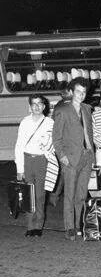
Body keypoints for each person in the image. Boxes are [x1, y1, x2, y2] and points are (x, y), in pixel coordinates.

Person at [52, 77, 95, 241]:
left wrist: (92, 155)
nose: (81, 95)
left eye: (84, 92)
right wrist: (63, 158)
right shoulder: (62, 111)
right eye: (78, 91)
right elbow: (56, 139)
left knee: (82, 195)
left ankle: (79, 225)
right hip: (70, 159)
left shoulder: (87, 108)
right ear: (71, 92)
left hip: (86, 157)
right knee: (69, 195)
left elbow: (89, 134)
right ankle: (69, 227)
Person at [14, 94, 54, 237]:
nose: (37, 107)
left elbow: (53, 145)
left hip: (42, 161)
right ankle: (30, 226)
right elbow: (19, 146)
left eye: (39, 104)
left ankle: (38, 225)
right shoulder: (25, 122)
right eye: (34, 104)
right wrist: (20, 169)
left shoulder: (50, 123)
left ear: (44, 106)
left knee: (40, 195)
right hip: (27, 160)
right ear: (30, 107)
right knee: (27, 195)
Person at [48, 88, 73, 207]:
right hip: (66, 143)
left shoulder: (58, 105)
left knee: (64, 171)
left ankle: (56, 195)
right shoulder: (70, 105)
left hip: (62, 143)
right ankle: (56, 195)